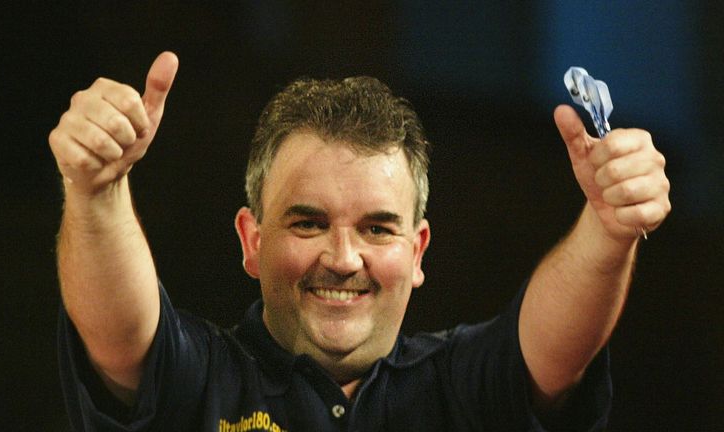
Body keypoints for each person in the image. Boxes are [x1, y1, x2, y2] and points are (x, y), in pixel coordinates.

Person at [50, 52, 670, 431]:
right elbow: (119, 331)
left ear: (418, 250)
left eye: (377, 228)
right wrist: (95, 191)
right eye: (308, 223)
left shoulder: (462, 388)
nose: (344, 260)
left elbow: (556, 349)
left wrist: (610, 229)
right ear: (251, 240)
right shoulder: (198, 379)